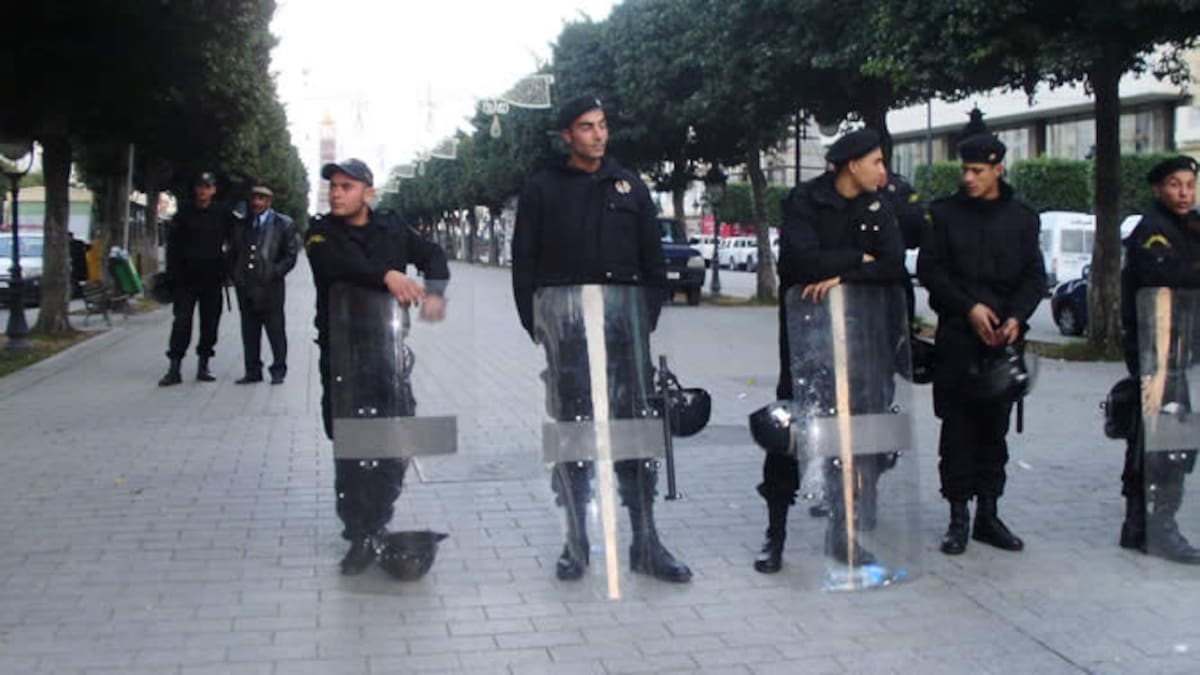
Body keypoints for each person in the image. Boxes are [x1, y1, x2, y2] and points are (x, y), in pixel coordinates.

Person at [511, 95, 691, 583]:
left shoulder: (630, 185)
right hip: (568, 335)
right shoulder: (542, 189)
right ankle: (576, 541)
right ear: (567, 135)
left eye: (603, 125)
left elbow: (653, 263)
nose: (598, 135)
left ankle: (646, 541)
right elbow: (524, 262)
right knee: (575, 435)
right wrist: (539, 326)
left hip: (624, 334)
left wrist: (644, 320)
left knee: (635, 435)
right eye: (587, 127)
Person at [755, 128, 908, 574]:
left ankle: (845, 534)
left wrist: (842, 277)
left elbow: (894, 265)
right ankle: (775, 535)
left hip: (862, 343)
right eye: (876, 162)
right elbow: (798, 262)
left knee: (854, 437)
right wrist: (858, 259)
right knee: (791, 434)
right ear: (852, 165)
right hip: (808, 343)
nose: (882, 170)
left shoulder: (879, 206)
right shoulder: (805, 201)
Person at [306, 158, 450, 575]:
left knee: (395, 436)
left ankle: (377, 519)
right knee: (351, 441)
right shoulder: (320, 232)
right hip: (342, 353)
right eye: (333, 186)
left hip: (387, 351)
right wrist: (387, 274)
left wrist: (436, 292)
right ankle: (358, 533)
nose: (336, 193)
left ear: (368, 193)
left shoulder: (391, 226)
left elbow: (432, 254)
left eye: (346, 186)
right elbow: (335, 265)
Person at [917, 125, 1045, 556]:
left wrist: (1017, 317)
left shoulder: (1022, 218)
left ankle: (989, 514)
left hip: (1002, 344)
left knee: (994, 432)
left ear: (998, 169)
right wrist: (969, 307)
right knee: (956, 431)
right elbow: (931, 271)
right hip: (958, 337)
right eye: (965, 170)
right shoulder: (944, 214)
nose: (969, 178)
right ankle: (958, 517)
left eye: (977, 171)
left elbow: (1034, 276)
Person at [1118, 155, 1200, 564]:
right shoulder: (1153, 231)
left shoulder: (1192, 226)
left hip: (1179, 350)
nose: (1184, 193)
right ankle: (1160, 526)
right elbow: (1168, 280)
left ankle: (1138, 524)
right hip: (1157, 351)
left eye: (1190, 185)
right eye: (1174, 185)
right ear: (1157, 189)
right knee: (1169, 440)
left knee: (1150, 435)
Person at [158, 172, 233, 386]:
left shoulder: (222, 213)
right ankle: (174, 368)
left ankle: (204, 365)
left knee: (210, 324)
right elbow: (173, 247)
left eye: (207, 187)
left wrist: (227, 267)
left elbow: (235, 240)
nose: (203, 191)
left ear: (214, 190)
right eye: (200, 186)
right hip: (186, 279)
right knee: (182, 322)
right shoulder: (184, 213)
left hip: (212, 279)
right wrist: (171, 275)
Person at [229, 184, 300, 385]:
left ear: (269, 202)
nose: (257, 203)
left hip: (271, 286)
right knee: (249, 330)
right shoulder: (243, 222)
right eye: (254, 198)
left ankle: (278, 369)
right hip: (246, 284)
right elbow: (233, 250)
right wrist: (236, 274)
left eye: (262, 199)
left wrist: (275, 272)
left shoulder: (283, 223)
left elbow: (291, 255)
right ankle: (252, 370)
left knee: (275, 329)